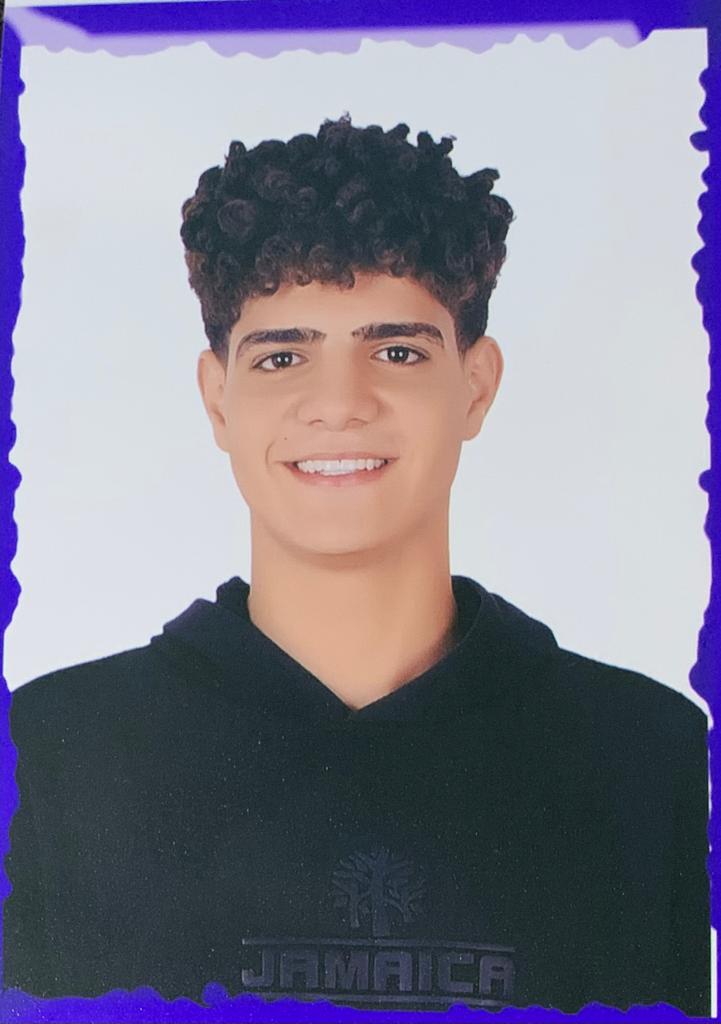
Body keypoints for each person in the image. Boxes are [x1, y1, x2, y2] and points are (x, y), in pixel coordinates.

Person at [3, 115, 709, 1014]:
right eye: (283, 356)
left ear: (476, 385)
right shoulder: (48, 756)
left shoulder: (647, 756)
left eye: (396, 351)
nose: (338, 403)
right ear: (218, 400)